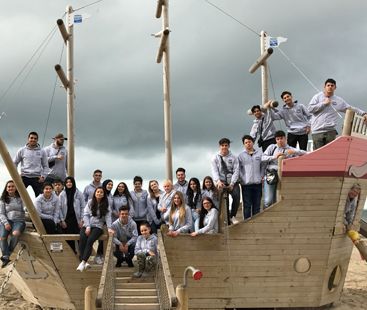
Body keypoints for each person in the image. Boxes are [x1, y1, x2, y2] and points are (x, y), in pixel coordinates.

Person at [308, 78, 367, 150]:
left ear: (335, 87)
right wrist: (323, 104)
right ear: (324, 87)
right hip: (317, 131)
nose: (330, 87)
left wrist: (363, 113)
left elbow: (350, 108)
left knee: (330, 155)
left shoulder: (338, 100)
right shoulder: (317, 97)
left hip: (330, 131)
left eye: (332, 85)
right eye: (328, 85)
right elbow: (310, 109)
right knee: (317, 156)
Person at [262, 130, 307, 208]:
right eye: (277, 139)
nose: (280, 141)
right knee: (268, 200)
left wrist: (294, 152)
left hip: (284, 176)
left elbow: (306, 153)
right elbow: (262, 158)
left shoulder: (290, 149)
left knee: (280, 199)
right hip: (271, 174)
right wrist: (274, 157)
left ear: (285, 138)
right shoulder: (272, 147)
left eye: (281, 138)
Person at [77, 187, 112, 272]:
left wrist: (109, 227)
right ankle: (84, 262)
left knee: (90, 240)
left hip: (98, 226)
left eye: (101, 192)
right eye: (98, 192)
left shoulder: (106, 204)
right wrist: (88, 226)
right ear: (95, 193)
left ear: (103, 194)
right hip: (87, 225)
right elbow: (86, 214)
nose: (99, 193)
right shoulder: (90, 202)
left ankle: (83, 262)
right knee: (82, 239)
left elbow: (108, 217)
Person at [211, 138, 240, 225]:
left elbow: (236, 171)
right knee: (224, 200)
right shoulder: (215, 158)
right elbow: (214, 171)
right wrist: (218, 181)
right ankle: (227, 219)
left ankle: (233, 216)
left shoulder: (234, 157)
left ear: (229, 146)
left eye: (226, 145)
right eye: (222, 145)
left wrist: (232, 183)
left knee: (236, 195)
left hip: (232, 181)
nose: (224, 147)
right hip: (221, 181)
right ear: (219, 146)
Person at [13, 131, 48, 196]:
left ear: (37, 140)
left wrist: (43, 177)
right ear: (28, 139)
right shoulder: (21, 150)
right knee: (17, 195)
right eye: (31, 138)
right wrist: (17, 176)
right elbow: (14, 163)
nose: (33, 140)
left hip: (37, 178)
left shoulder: (42, 151)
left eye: (35, 138)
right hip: (24, 177)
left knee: (41, 197)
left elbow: (46, 166)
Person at [0, 181, 26, 268]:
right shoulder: (3, 200)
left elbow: (26, 207)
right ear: (6, 189)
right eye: (9, 187)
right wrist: (6, 223)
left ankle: (9, 252)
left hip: (19, 220)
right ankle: (5, 256)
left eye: (12, 186)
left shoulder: (21, 198)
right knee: (2, 236)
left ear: (16, 188)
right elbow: (1, 213)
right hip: (7, 220)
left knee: (15, 233)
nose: (10, 188)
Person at [238, 135, 263, 220]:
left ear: (253, 142)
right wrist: (243, 179)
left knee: (257, 205)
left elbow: (262, 166)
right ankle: (246, 225)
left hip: (258, 183)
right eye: (246, 142)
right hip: (246, 184)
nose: (248, 144)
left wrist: (261, 176)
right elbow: (239, 169)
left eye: (249, 142)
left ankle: (257, 224)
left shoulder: (260, 153)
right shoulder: (241, 155)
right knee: (247, 206)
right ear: (244, 144)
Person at [59, 176, 85, 253]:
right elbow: (59, 208)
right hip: (66, 219)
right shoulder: (62, 194)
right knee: (69, 239)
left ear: (73, 183)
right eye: (67, 182)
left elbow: (83, 207)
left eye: (70, 182)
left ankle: (82, 256)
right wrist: (62, 220)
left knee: (80, 238)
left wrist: (81, 220)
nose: (69, 183)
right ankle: (72, 254)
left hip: (77, 219)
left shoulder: (79, 193)